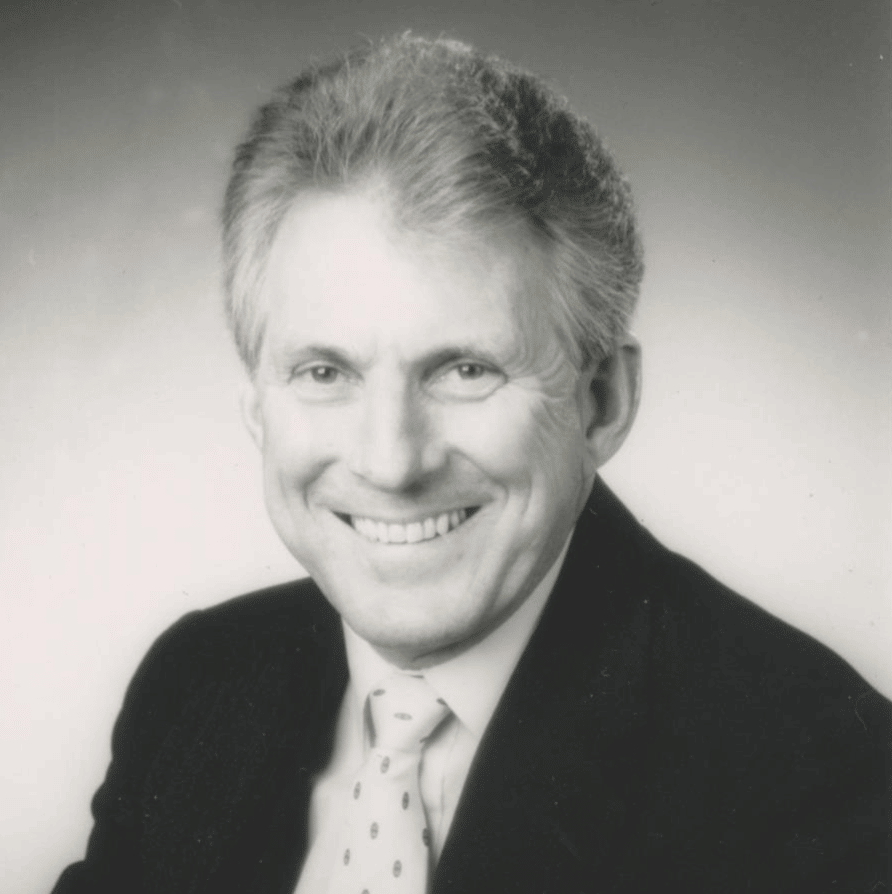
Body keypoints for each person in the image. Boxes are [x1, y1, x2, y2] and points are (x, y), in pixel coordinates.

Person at [52, 33, 889, 894]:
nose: (391, 462)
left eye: (464, 370)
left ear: (602, 402)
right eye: (325, 373)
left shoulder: (822, 781)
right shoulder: (197, 687)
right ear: (258, 409)